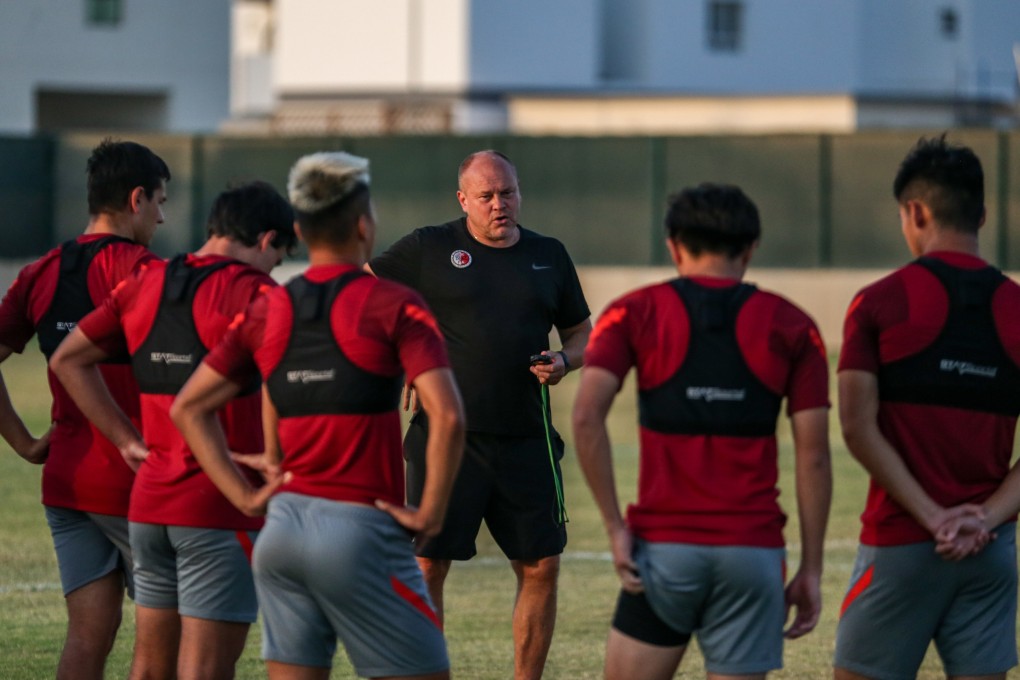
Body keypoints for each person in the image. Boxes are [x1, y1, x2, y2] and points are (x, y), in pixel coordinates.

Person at [169, 151, 465, 680]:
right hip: (359, 532)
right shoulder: (393, 303)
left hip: (281, 533)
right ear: (364, 225)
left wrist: (245, 495)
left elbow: (188, 407)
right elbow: (448, 416)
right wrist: (431, 515)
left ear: (299, 230)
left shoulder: (270, 307)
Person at [572, 183, 832, 680]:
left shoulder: (633, 311)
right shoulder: (794, 326)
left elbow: (586, 418)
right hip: (753, 556)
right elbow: (814, 455)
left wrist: (614, 527)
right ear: (751, 248)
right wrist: (812, 569)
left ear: (672, 245)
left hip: (662, 554)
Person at [49, 181, 296, 680]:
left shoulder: (147, 280)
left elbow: (66, 358)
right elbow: (287, 392)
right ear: (268, 241)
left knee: (150, 668)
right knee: (204, 669)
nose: (275, 270)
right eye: (279, 257)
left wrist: (126, 439)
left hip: (150, 502)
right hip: (218, 506)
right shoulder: (258, 293)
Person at [367, 149, 592, 679]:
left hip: (527, 439)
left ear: (520, 193)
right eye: (486, 196)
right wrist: (407, 360)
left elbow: (582, 335)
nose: (499, 205)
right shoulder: (428, 246)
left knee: (541, 567)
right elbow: (362, 293)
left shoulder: (549, 254)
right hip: (447, 438)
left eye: (507, 193)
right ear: (463, 199)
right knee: (426, 565)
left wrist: (565, 360)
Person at [833, 135, 1020, 680]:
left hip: (901, 543)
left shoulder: (877, 302)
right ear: (982, 214)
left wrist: (933, 516)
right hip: (990, 549)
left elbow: (856, 426)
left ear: (914, 212)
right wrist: (984, 517)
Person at [0, 139, 168, 680]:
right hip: (138, 484)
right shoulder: (152, 276)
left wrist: (25, 443)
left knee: (86, 638)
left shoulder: (42, 271)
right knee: (167, 642)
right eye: (160, 202)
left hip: (68, 484)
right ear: (136, 199)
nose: (163, 217)